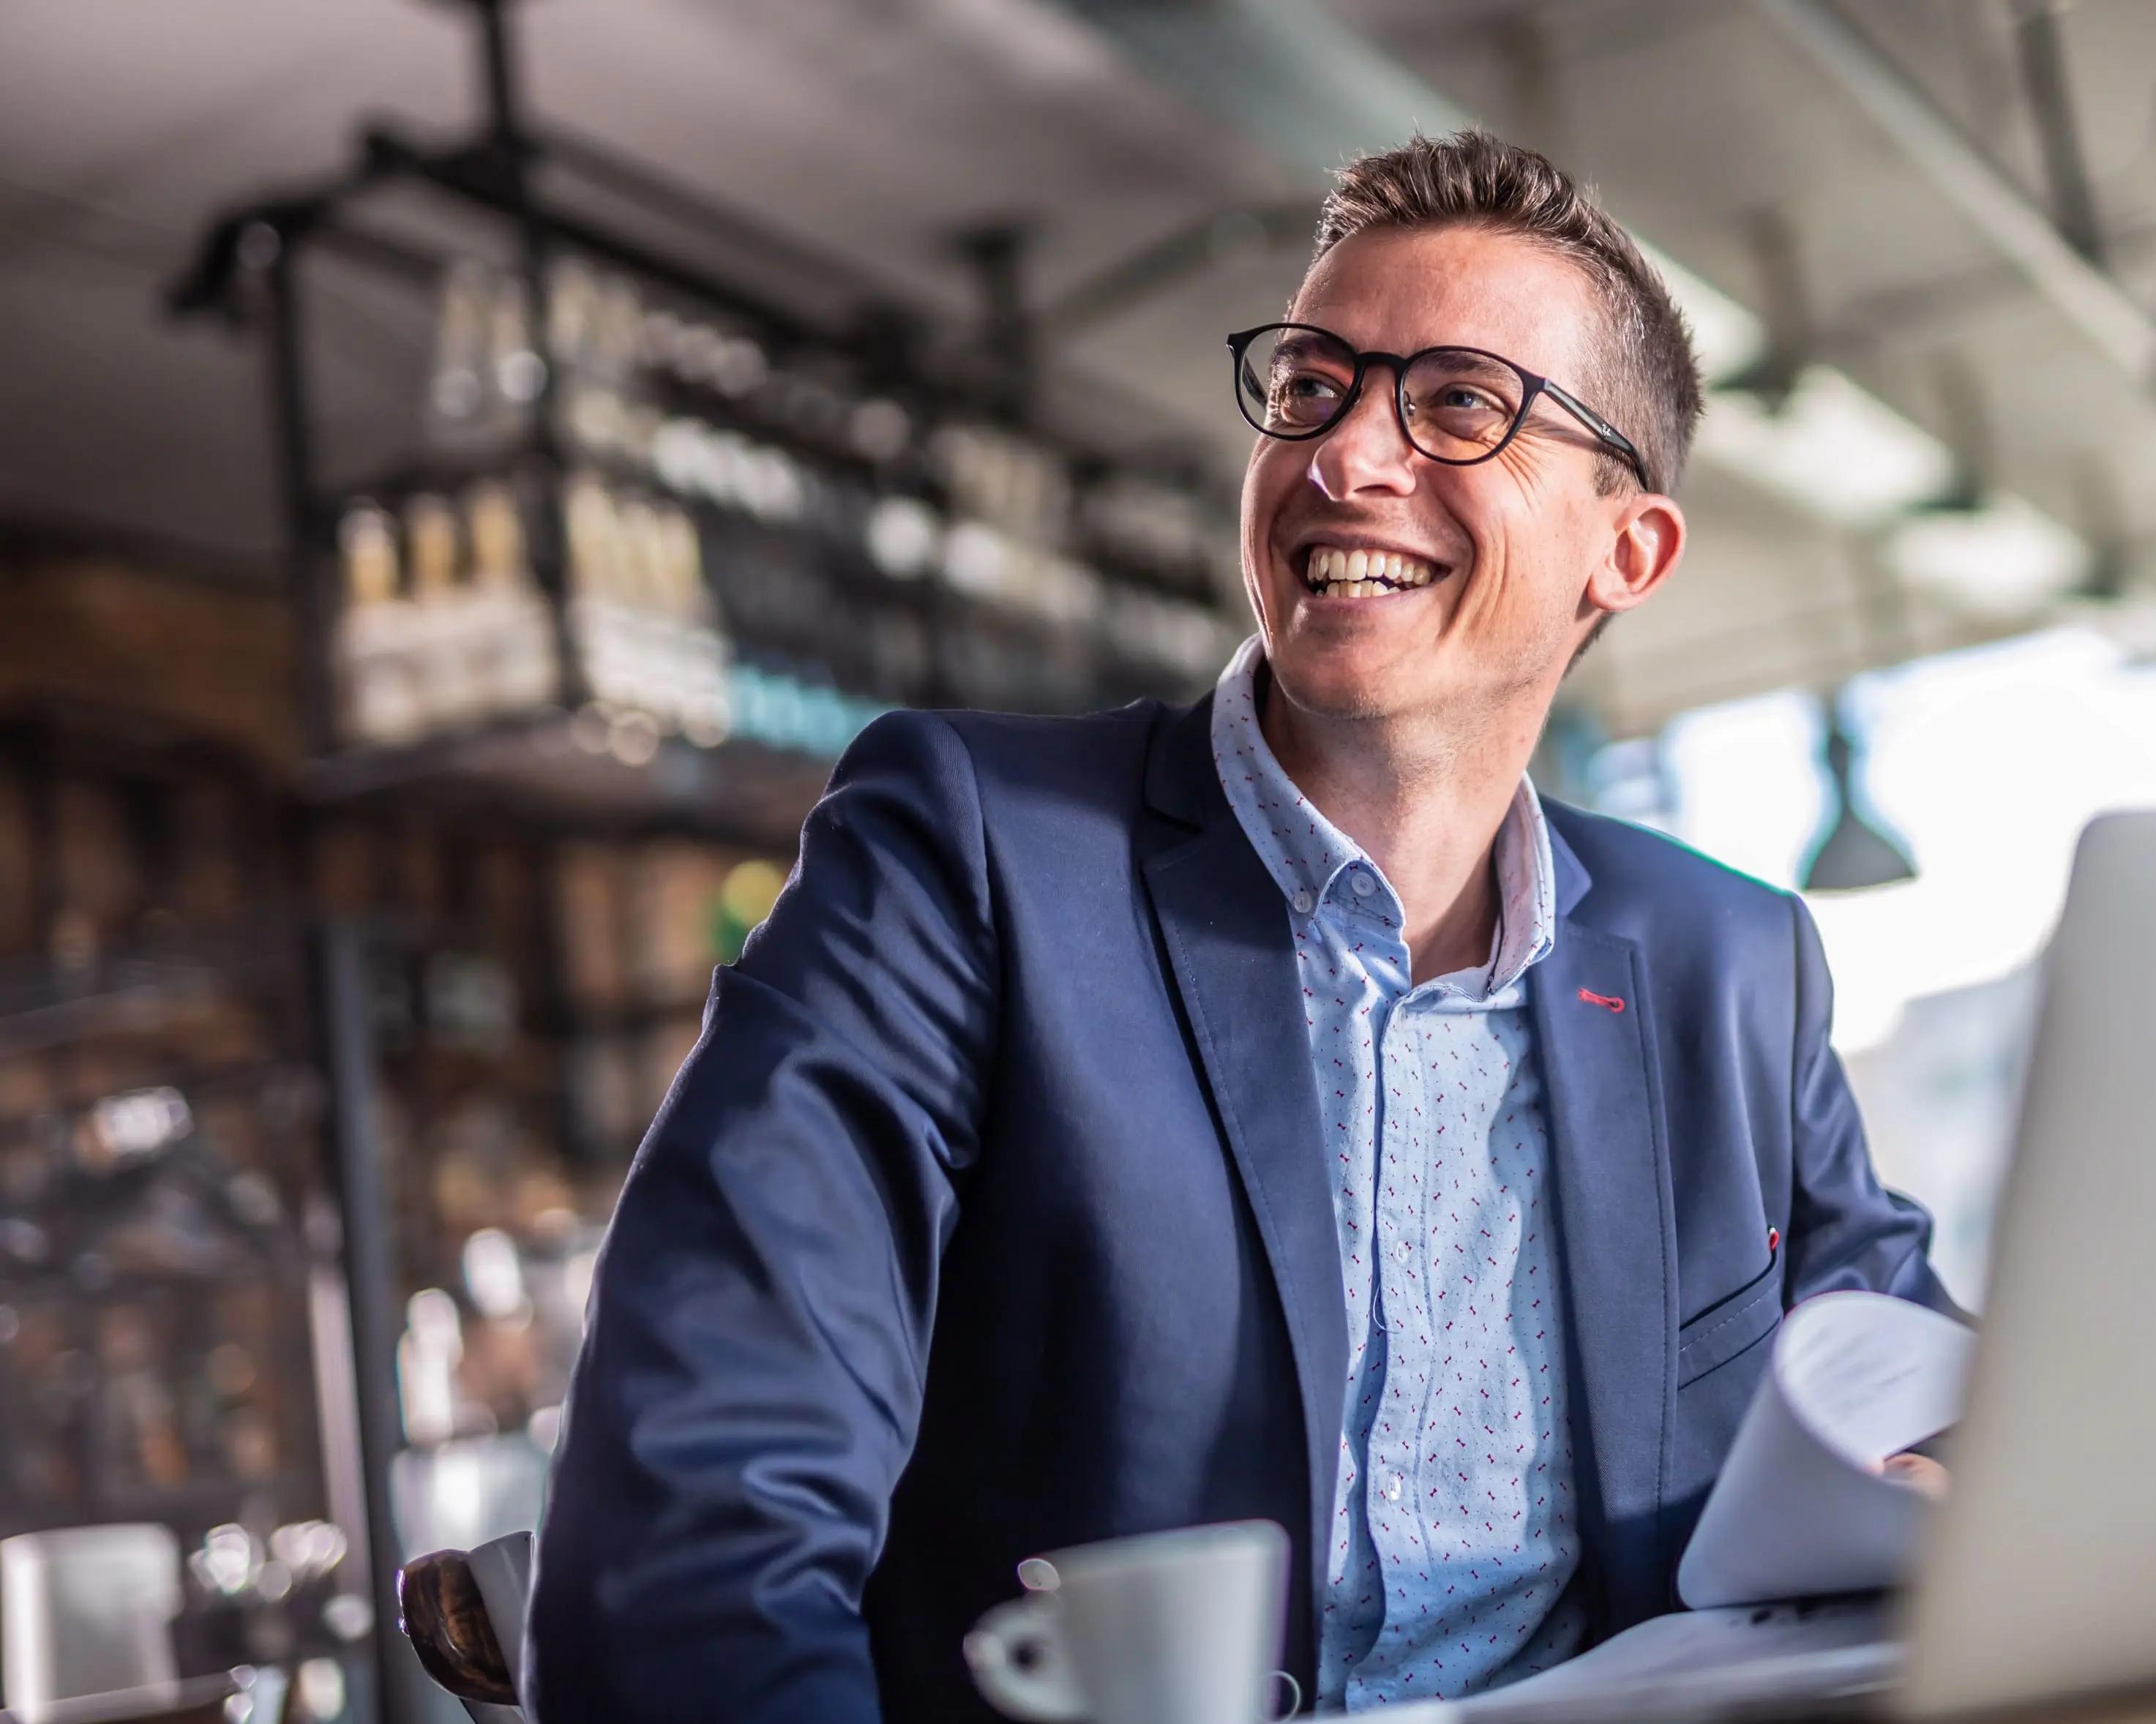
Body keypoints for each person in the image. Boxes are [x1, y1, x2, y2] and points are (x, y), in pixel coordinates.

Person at [528, 130, 1958, 1723]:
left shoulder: (1727, 964)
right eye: (1313, 386)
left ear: (1629, 551)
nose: (1346, 455)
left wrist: (1963, 1466)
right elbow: (697, 1500)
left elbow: (1908, 1369)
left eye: (1460, 403)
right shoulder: (969, 855)